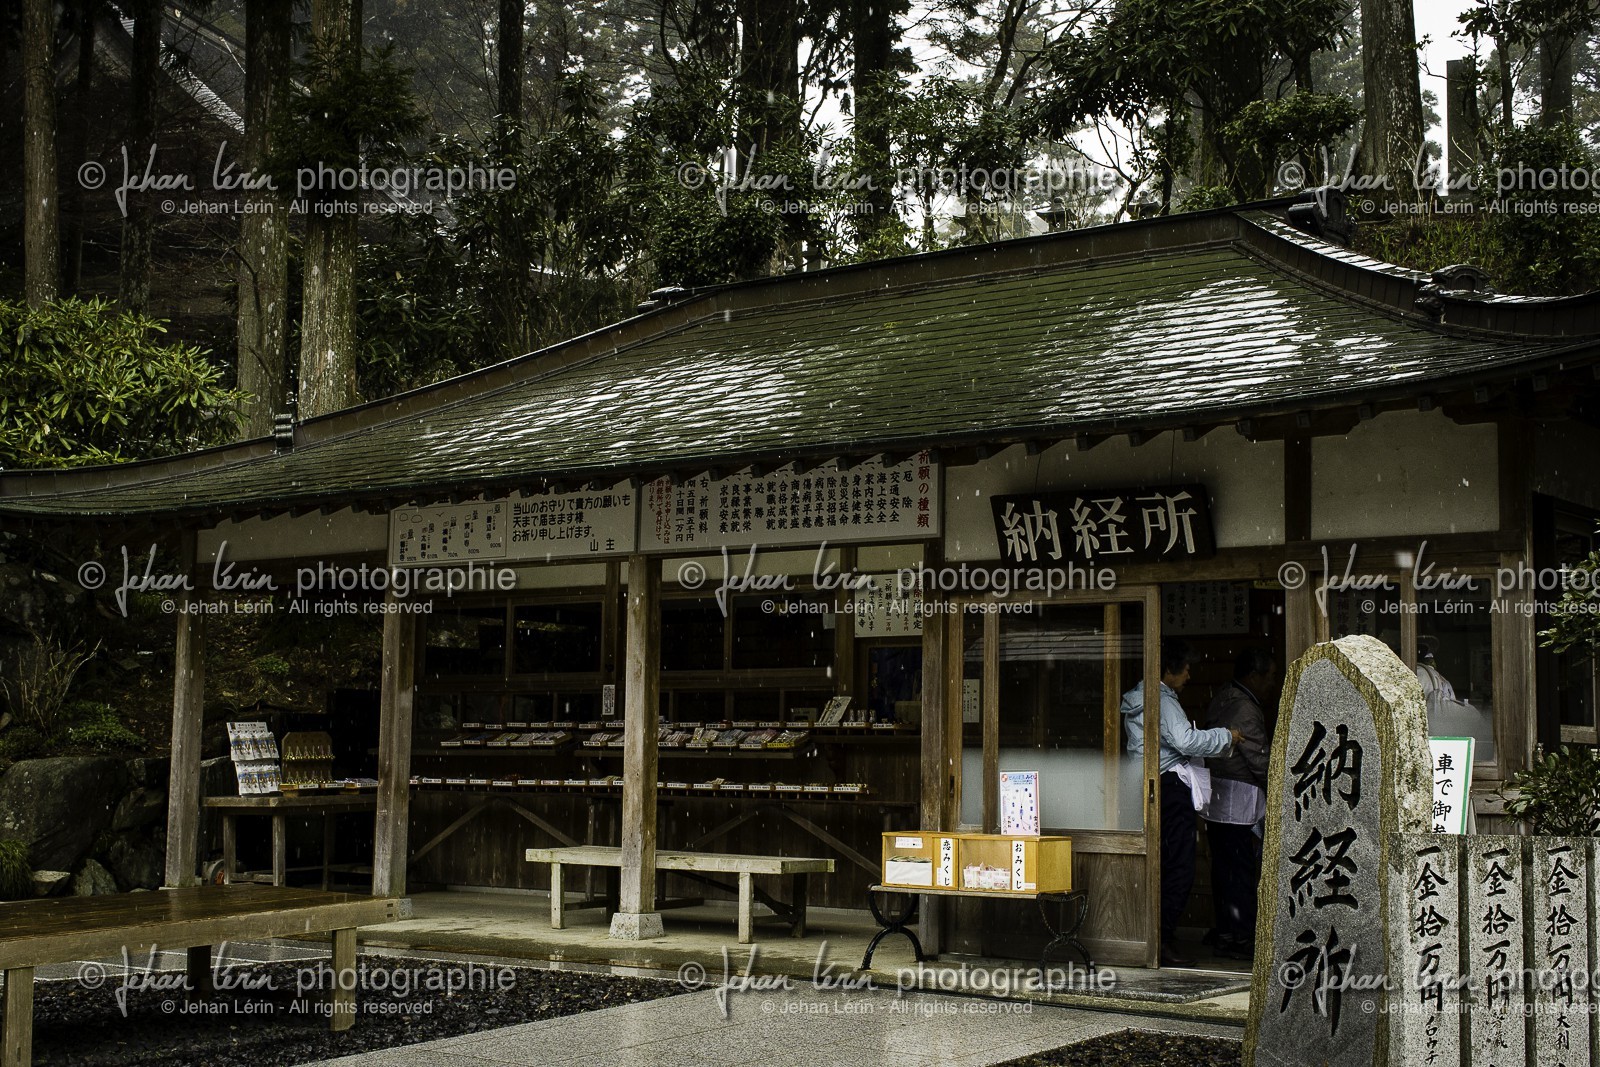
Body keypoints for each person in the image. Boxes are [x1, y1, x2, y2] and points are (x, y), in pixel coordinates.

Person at [1121, 638, 1241, 967]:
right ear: (1169, 671)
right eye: (1185, 669)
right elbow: (1186, 740)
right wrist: (1226, 736)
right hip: (1169, 787)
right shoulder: (1162, 700)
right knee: (1180, 864)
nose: (1189, 675)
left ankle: (1153, 935)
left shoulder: (1138, 698)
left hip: (1146, 785)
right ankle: (1164, 937)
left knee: (1160, 861)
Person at [1200, 648, 1276, 961]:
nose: (1272, 684)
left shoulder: (1224, 696)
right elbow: (1259, 759)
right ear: (1253, 676)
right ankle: (1242, 936)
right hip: (1239, 798)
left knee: (1224, 869)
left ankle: (1228, 930)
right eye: (1269, 678)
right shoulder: (1245, 707)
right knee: (1241, 872)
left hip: (1217, 796)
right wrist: (1278, 788)